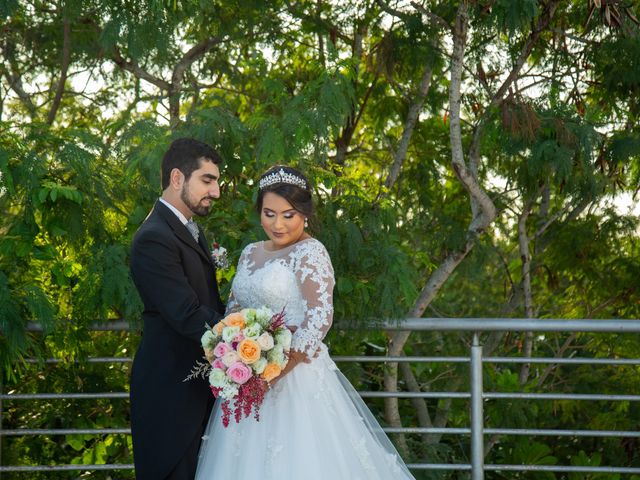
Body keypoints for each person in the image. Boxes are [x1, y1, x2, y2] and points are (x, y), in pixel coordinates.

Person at [195, 165, 415, 479]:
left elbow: (319, 319)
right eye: (269, 213)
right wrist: (229, 352)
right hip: (247, 379)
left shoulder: (311, 252)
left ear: (305, 213)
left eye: (289, 215)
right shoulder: (249, 253)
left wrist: (275, 371)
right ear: (260, 211)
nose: (278, 224)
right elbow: (234, 312)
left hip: (296, 379)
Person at [129, 138, 226, 479]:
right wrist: (250, 338)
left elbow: (207, 301)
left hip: (197, 390)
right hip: (169, 397)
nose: (215, 191)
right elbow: (186, 313)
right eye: (207, 180)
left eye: (216, 181)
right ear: (176, 178)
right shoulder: (154, 237)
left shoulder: (187, 230)